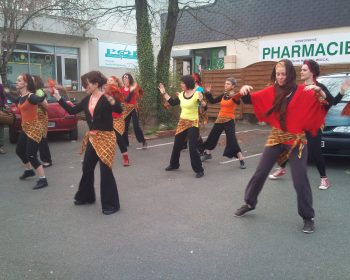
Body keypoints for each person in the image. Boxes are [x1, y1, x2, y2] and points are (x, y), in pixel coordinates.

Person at [233, 59, 327, 234]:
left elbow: (323, 104)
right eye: (277, 74)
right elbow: (251, 99)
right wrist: (244, 91)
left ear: (290, 73)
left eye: (283, 74)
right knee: (260, 172)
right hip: (277, 138)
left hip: (297, 141)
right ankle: (249, 202)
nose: (281, 77)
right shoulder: (272, 91)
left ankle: (308, 217)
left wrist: (320, 92)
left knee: (300, 179)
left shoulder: (302, 91)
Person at [52, 71, 122, 215]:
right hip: (93, 138)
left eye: (87, 84)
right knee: (87, 168)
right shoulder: (87, 99)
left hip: (106, 138)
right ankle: (86, 196)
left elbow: (119, 110)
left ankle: (111, 204)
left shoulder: (106, 98)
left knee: (105, 171)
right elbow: (72, 110)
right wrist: (58, 97)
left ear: (96, 84)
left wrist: (112, 99)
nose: (85, 87)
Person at [268, 59, 343, 190]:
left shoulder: (319, 86)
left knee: (315, 153)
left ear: (312, 72)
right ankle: (281, 168)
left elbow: (331, 102)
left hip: (314, 126)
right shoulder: (299, 88)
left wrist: (322, 90)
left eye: (304, 70)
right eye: (301, 69)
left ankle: (324, 179)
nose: (301, 71)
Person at [6, 73, 48, 189]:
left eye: (19, 80)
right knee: (19, 151)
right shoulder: (21, 97)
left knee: (31, 155)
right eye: (17, 80)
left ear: (25, 83)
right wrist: (5, 91)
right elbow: (13, 99)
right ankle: (29, 170)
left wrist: (43, 94)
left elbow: (39, 99)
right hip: (26, 128)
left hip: (34, 128)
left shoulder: (31, 96)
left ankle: (43, 179)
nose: (17, 82)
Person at [159, 75, 206, 178]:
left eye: (182, 83)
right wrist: (164, 92)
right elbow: (172, 102)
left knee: (192, 147)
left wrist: (202, 101)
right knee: (177, 144)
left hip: (193, 123)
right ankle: (174, 164)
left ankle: (199, 169)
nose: (181, 84)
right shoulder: (181, 95)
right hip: (182, 122)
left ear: (188, 83)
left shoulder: (197, 94)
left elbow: (204, 107)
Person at [199, 77, 246, 169]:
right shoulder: (224, 95)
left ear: (233, 86)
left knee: (232, 140)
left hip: (229, 121)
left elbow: (238, 102)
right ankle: (207, 153)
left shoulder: (235, 96)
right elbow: (212, 101)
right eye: (225, 83)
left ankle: (241, 159)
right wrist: (208, 92)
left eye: (228, 84)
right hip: (220, 120)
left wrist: (235, 96)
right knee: (212, 137)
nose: (225, 85)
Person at [105, 80, 130, 167]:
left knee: (119, 139)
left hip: (117, 119)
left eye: (111, 80)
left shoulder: (118, 94)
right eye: (108, 80)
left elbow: (120, 109)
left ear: (116, 83)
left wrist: (113, 102)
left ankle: (126, 158)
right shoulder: (104, 94)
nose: (109, 82)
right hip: (107, 119)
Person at [121, 73, 147, 149]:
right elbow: (124, 100)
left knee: (136, 126)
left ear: (130, 79)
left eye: (127, 77)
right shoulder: (121, 89)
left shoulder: (133, 87)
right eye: (124, 77)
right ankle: (126, 143)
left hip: (133, 108)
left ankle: (143, 141)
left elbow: (141, 92)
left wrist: (137, 96)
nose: (125, 79)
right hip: (126, 109)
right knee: (124, 127)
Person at [32, 75, 52, 168]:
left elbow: (46, 106)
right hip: (34, 118)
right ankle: (32, 158)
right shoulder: (32, 92)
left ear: (37, 82)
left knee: (42, 139)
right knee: (35, 139)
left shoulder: (39, 91)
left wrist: (37, 101)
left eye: (32, 80)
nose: (30, 82)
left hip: (41, 117)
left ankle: (47, 160)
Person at [0, 84, 7, 154]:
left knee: (0, 128)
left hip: (0, 109)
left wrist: (5, 104)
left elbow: (4, 97)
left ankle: (0, 147)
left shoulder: (0, 86)